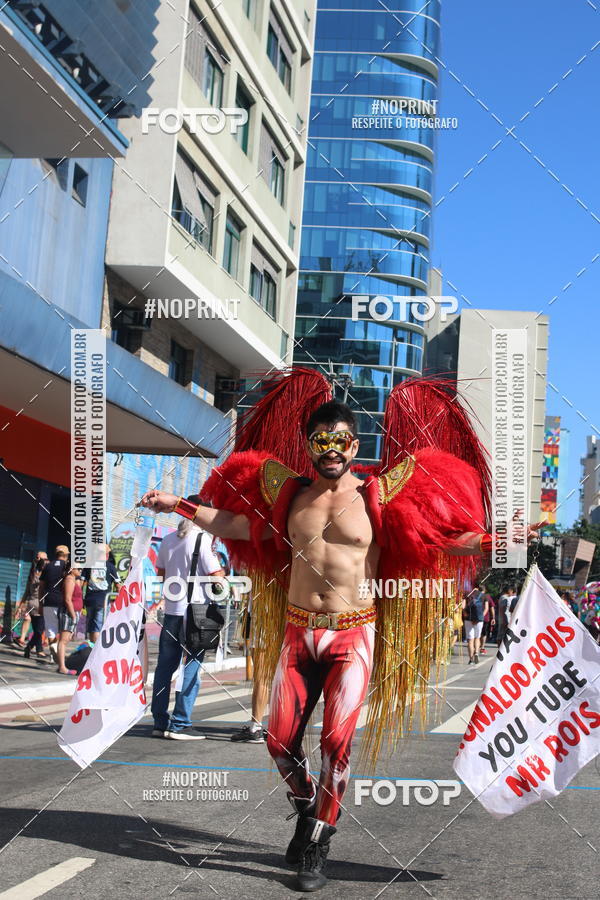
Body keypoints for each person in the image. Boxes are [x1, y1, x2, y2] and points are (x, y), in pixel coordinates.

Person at [140, 371, 543, 892]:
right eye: (321, 441)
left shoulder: (381, 495)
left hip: (354, 635)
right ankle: (309, 805)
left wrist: (502, 537)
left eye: (340, 441)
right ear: (310, 446)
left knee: (336, 741)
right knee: (280, 742)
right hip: (297, 631)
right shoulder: (290, 497)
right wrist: (179, 505)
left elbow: (442, 539)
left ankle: (317, 842)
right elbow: (237, 526)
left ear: (355, 444)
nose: (331, 450)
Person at [151, 518, 224, 740]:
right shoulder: (202, 539)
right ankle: (180, 723)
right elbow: (216, 576)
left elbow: (161, 574)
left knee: (164, 667)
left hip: (172, 613)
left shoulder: (167, 540)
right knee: (191, 664)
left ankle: (159, 721)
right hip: (195, 614)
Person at [230, 595, 269, 743]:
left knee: (262, 677)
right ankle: (285, 728)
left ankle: (256, 728)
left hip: (264, 618)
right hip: (288, 618)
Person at [82, 544, 119, 642]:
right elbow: (118, 585)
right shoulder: (110, 567)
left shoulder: (89, 565)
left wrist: (82, 598)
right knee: (98, 626)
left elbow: (82, 583)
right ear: (106, 554)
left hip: (89, 600)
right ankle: (95, 652)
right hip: (103, 600)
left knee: (91, 626)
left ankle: (91, 650)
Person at [39, 546, 70, 663]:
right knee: (63, 631)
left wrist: (40, 602)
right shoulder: (66, 568)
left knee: (51, 630)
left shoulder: (48, 566)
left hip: (48, 600)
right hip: (62, 601)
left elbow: (41, 586)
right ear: (66, 555)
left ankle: (54, 656)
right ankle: (58, 656)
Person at [56, 566, 83, 674]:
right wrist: (73, 615)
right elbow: (68, 599)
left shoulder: (74, 580)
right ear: (72, 569)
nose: (80, 570)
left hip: (73, 612)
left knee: (66, 640)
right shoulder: (69, 580)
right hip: (68, 613)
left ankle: (63, 665)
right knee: (63, 640)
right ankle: (62, 666)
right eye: (78, 568)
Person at [22, 551, 48, 659]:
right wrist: (21, 606)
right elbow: (27, 591)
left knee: (39, 629)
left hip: (34, 604)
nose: (47, 562)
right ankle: (38, 650)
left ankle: (30, 648)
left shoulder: (33, 573)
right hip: (38, 605)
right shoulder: (41, 575)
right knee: (39, 630)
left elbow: (26, 592)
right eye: (45, 560)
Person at [462, 584, 489, 664]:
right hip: (479, 620)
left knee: (470, 640)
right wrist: (481, 617)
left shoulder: (468, 594)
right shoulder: (484, 596)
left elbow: (463, 607)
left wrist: (466, 614)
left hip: (468, 619)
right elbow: (486, 608)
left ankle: (471, 659)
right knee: (477, 638)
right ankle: (476, 652)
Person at [479, 586, 495, 654]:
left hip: (475, 618)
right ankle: (482, 647)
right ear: (485, 590)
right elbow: (491, 608)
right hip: (485, 618)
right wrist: (493, 618)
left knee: (477, 633)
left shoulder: (474, 596)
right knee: (484, 633)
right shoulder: (487, 596)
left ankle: (476, 647)